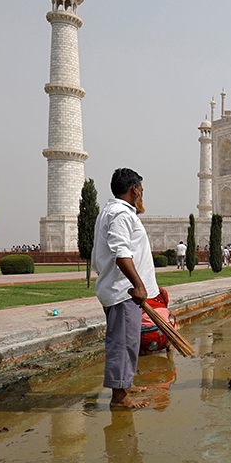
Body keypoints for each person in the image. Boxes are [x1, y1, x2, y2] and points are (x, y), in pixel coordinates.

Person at [92, 167, 159, 410]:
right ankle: (119, 398)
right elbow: (121, 253)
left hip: (120, 288)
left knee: (128, 341)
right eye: (141, 189)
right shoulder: (120, 214)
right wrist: (138, 286)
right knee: (123, 343)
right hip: (124, 291)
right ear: (134, 189)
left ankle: (124, 385)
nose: (142, 193)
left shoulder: (113, 211)